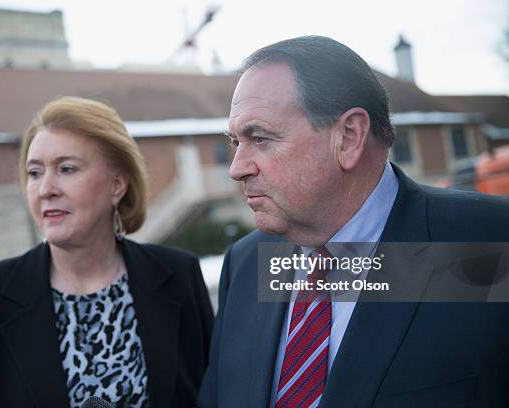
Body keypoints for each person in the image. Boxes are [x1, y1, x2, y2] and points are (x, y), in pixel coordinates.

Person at [197, 36, 509, 407]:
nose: (237, 168)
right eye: (236, 142)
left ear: (348, 137)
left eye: (260, 138)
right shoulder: (246, 264)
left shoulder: (487, 242)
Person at [0, 96, 214, 408]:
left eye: (67, 169)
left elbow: (213, 394)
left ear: (117, 184)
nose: (46, 189)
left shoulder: (179, 276)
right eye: (34, 173)